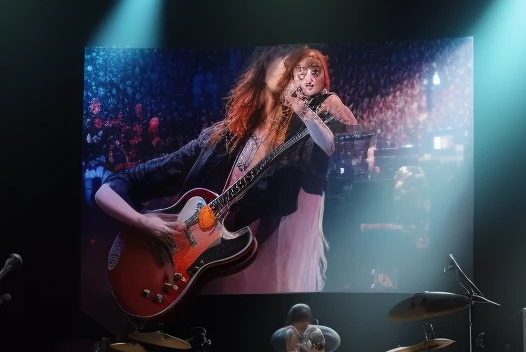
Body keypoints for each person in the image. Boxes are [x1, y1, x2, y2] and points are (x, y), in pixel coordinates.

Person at [94, 46, 354, 295]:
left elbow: (327, 150)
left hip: (262, 288)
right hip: (194, 283)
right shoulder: (217, 140)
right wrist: (142, 221)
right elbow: (113, 188)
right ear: (264, 66)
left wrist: (321, 104)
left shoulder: (301, 143)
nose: (296, 71)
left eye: (307, 69)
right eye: (287, 56)